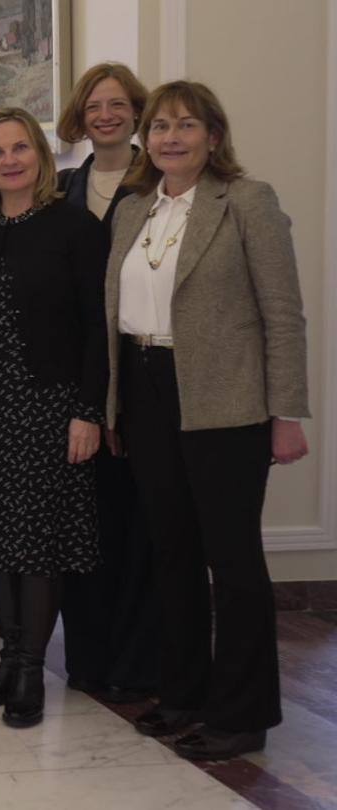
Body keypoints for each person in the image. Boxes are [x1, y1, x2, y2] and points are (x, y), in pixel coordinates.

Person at [110, 81, 308, 761]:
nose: (170, 137)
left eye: (185, 125)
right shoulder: (134, 209)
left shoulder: (247, 202)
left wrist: (286, 413)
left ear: (213, 137)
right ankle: (184, 692)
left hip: (226, 399)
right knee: (171, 553)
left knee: (232, 558)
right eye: (159, 126)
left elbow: (283, 314)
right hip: (145, 389)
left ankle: (243, 711)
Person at [0, 107, 107, 729]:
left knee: (36, 543)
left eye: (19, 149)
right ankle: (8, 658)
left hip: (48, 406)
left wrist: (88, 411)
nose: (9, 161)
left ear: (39, 154)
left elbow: (97, 329)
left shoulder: (75, 227)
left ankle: (32, 668)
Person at [55, 62, 159, 706]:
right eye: (95, 105)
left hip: (141, 373)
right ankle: (87, 658)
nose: (106, 115)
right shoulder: (64, 184)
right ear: (80, 114)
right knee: (80, 522)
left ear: (136, 111)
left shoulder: (162, 181)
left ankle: (138, 661)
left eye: (119, 104)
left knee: (137, 521)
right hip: (73, 374)